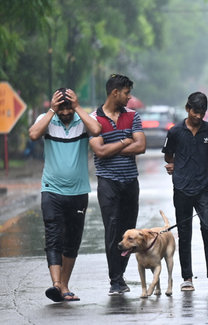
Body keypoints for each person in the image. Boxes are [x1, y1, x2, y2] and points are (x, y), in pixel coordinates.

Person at [29, 88, 102, 302]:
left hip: (79, 191)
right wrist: (52, 109)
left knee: (72, 240)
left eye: (69, 106)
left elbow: (97, 130)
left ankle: (64, 285)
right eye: (62, 107)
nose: (66, 111)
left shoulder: (83, 119)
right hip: (51, 189)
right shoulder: (47, 118)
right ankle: (56, 284)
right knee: (53, 237)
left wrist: (78, 106)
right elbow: (33, 134)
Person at [89, 74, 146, 295]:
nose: (129, 97)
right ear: (115, 92)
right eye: (126, 93)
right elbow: (99, 152)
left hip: (130, 181)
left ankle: (120, 276)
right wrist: (125, 140)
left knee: (128, 233)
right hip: (108, 182)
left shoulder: (133, 116)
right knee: (112, 230)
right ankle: (115, 279)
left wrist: (110, 146)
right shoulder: (94, 119)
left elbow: (141, 146)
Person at [162, 92, 208, 292]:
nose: (198, 116)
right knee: (184, 232)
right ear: (188, 109)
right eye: (195, 112)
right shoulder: (175, 132)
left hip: (203, 186)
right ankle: (187, 278)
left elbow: (207, 155)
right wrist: (174, 166)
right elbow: (168, 156)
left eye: (202, 113)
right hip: (181, 187)